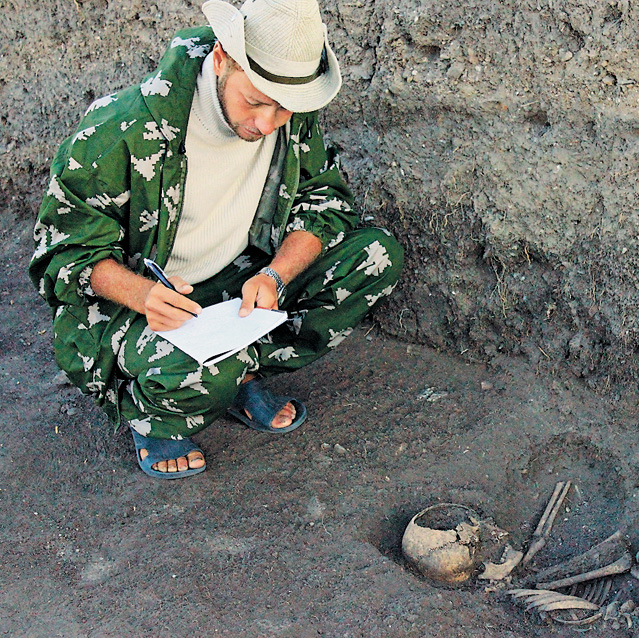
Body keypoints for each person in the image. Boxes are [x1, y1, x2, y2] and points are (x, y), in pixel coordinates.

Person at [28, 0, 403, 479]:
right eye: (255, 102)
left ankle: (237, 370)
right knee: (201, 374)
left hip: (237, 284)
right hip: (137, 303)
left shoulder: (286, 109)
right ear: (223, 58)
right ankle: (156, 416)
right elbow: (62, 253)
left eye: (284, 109)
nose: (267, 123)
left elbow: (322, 202)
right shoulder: (121, 129)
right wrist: (144, 295)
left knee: (374, 257)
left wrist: (275, 273)